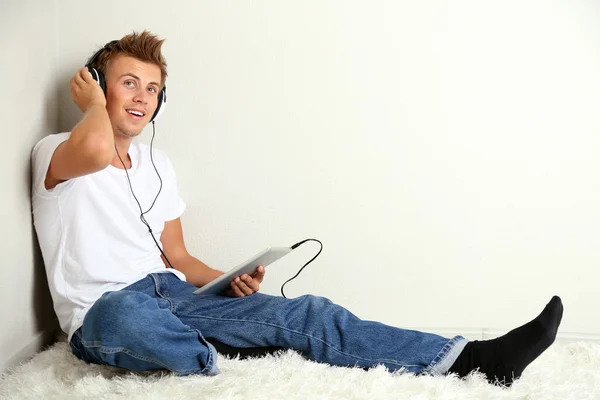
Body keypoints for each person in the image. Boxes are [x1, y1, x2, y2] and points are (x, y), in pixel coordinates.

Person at [31, 31, 563, 387]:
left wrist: (226, 282)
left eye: (153, 89)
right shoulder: (56, 150)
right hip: (103, 313)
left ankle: (471, 359)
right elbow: (98, 149)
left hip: (178, 297)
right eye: (128, 83)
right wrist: (96, 108)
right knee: (128, 317)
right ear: (97, 86)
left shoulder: (158, 164)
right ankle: (226, 356)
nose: (142, 99)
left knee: (307, 313)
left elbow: (178, 255)